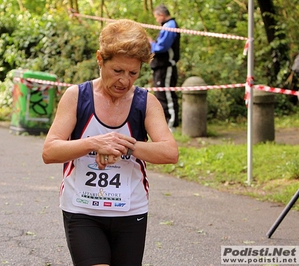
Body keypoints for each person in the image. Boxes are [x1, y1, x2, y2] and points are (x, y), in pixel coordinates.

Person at [42, 19, 179, 266]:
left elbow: (170, 152)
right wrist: (94, 143)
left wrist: (122, 145)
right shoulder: (77, 96)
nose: (124, 81)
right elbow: (50, 151)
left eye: (133, 73)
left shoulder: (145, 102)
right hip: (82, 210)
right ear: (100, 59)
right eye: (117, 71)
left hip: (131, 212)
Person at [148, 4, 181, 132]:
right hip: (160, 67)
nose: (156, 20)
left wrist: (151, 43)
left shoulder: (170, 26)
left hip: (166, 67)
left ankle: (171, 124)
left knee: (166, 94)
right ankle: (165, 123)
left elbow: (162, 47)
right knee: (160, 94)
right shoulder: (166, 26)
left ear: (161, 15)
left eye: (156, 17)